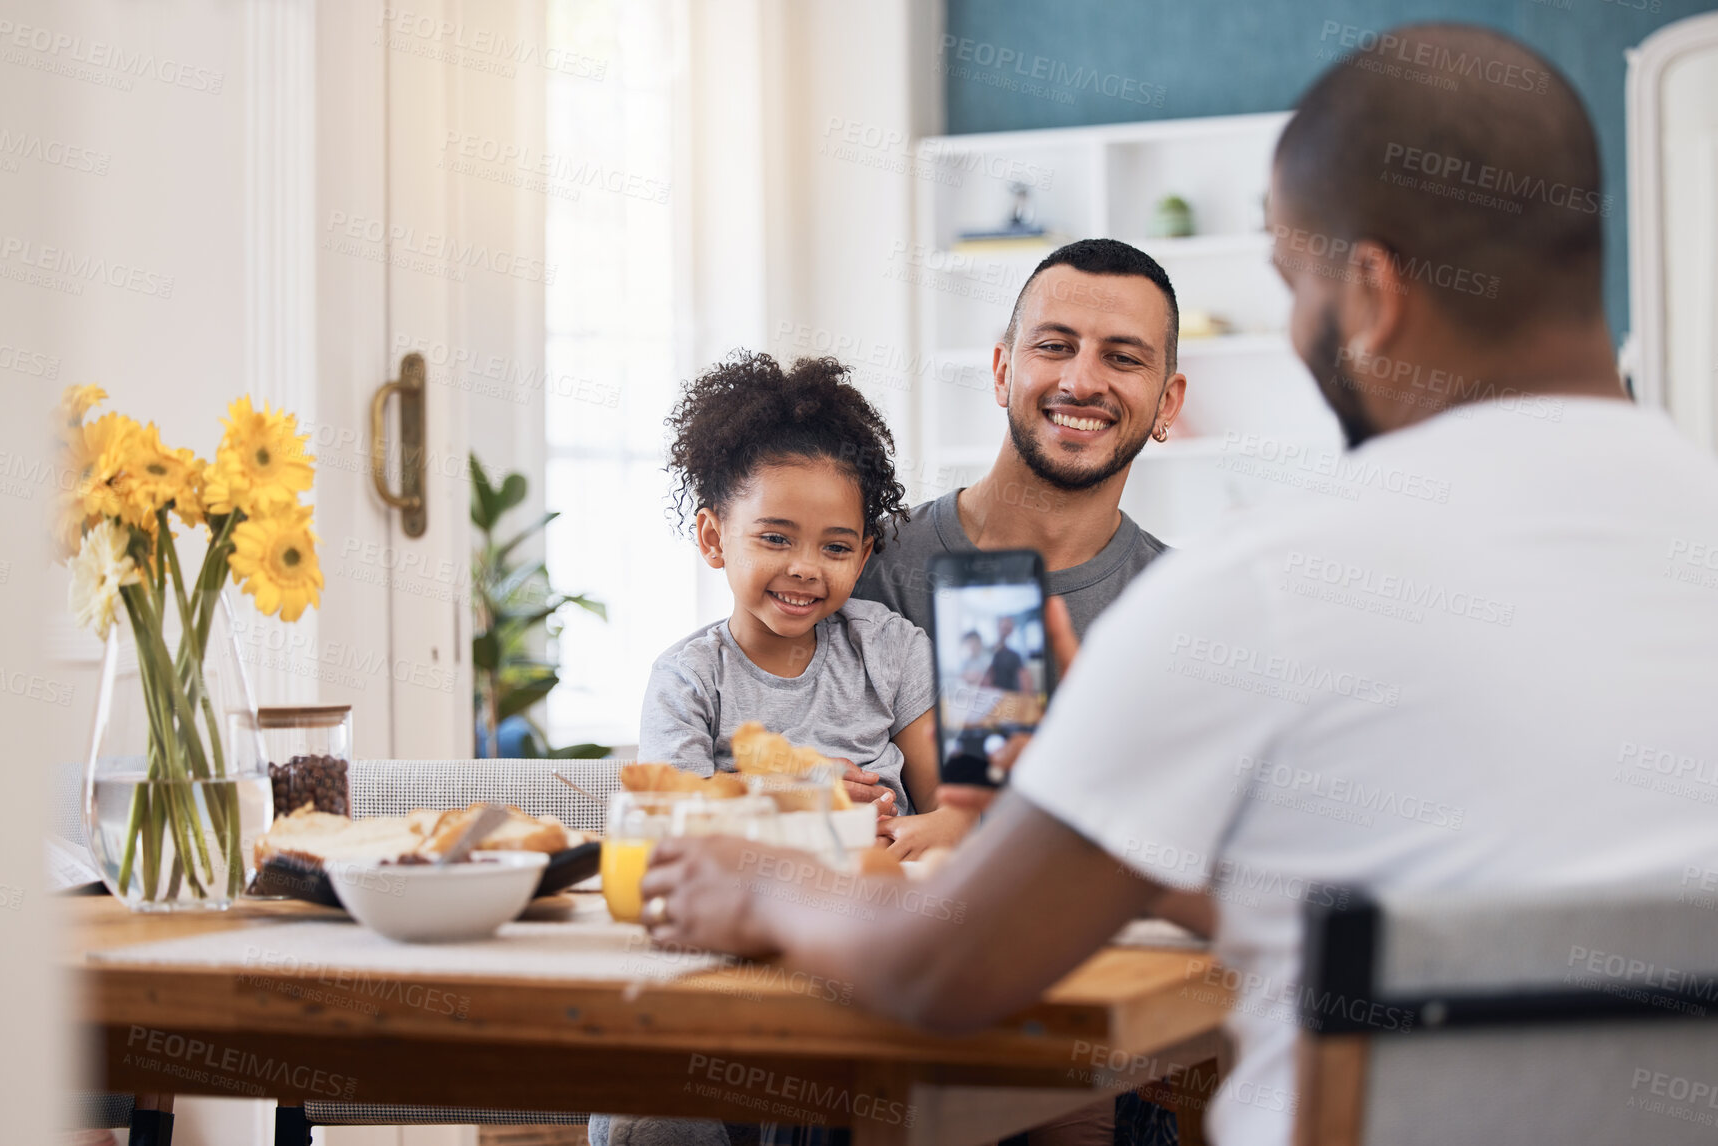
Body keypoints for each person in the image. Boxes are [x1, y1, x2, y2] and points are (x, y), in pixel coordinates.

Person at [633, 24, 1718, 1146]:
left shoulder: (1262, 593)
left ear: (1374, 294)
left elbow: (946, 967)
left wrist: (760, 883)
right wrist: (1117, 841)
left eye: (1296, 285)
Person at [851, 238, 1187, 869]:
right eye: (1054, 346)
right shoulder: (861, 565)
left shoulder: (1190, 610)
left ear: (1167, 402)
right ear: (1003, 371)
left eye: (1122, 357)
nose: (1082, 380)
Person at [634, 350, 938, 817]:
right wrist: (788, 793)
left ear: (860, 558)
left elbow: (953, 811)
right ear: (714, 539)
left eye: (835, 548)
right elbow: (668, 822)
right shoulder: (688, 680)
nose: (805, 568)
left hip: (891, 883)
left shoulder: (889, 649)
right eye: (776, 538)